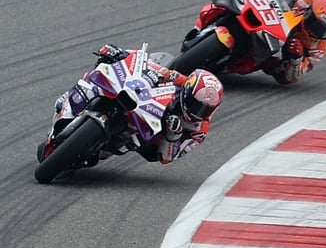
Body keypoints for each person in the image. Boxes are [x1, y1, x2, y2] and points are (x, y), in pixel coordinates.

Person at [41, 44, 224, 165]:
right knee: (99, 75)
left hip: (150, 138)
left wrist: (173, 136)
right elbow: (153, 65)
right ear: (188, 90)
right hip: (142, 104)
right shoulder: (181, 81)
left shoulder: (199, 130)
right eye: (196, 104)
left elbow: (167, 158)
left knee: (139, 149)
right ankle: (72, 104)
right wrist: (120, 54)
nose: (198, 111)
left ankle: (98, 146)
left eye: (205, 109)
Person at [190, 0, 326, 84]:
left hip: (281, 41)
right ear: (310, 10)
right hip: (269, 16)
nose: (315, 30)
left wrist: (296, 58)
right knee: (225, 2)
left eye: (322, 30)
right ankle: (199, 27)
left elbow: (291, 77)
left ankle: (227, 66)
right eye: (315, 22)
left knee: (269, 65)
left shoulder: (319, 47)